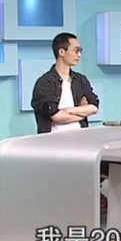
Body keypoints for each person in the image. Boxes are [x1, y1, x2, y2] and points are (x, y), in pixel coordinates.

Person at [30, 32, 107, 206]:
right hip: (55, 143)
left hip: (81, 140)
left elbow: (94, 107)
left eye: (80, 50)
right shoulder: (44, 83)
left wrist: (69, 110)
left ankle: (88, 199)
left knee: (102, 166)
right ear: (61, 52)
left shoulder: (80, 80)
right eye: (76, 50)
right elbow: (56, 116)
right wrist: (81, 111)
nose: (79, 54)